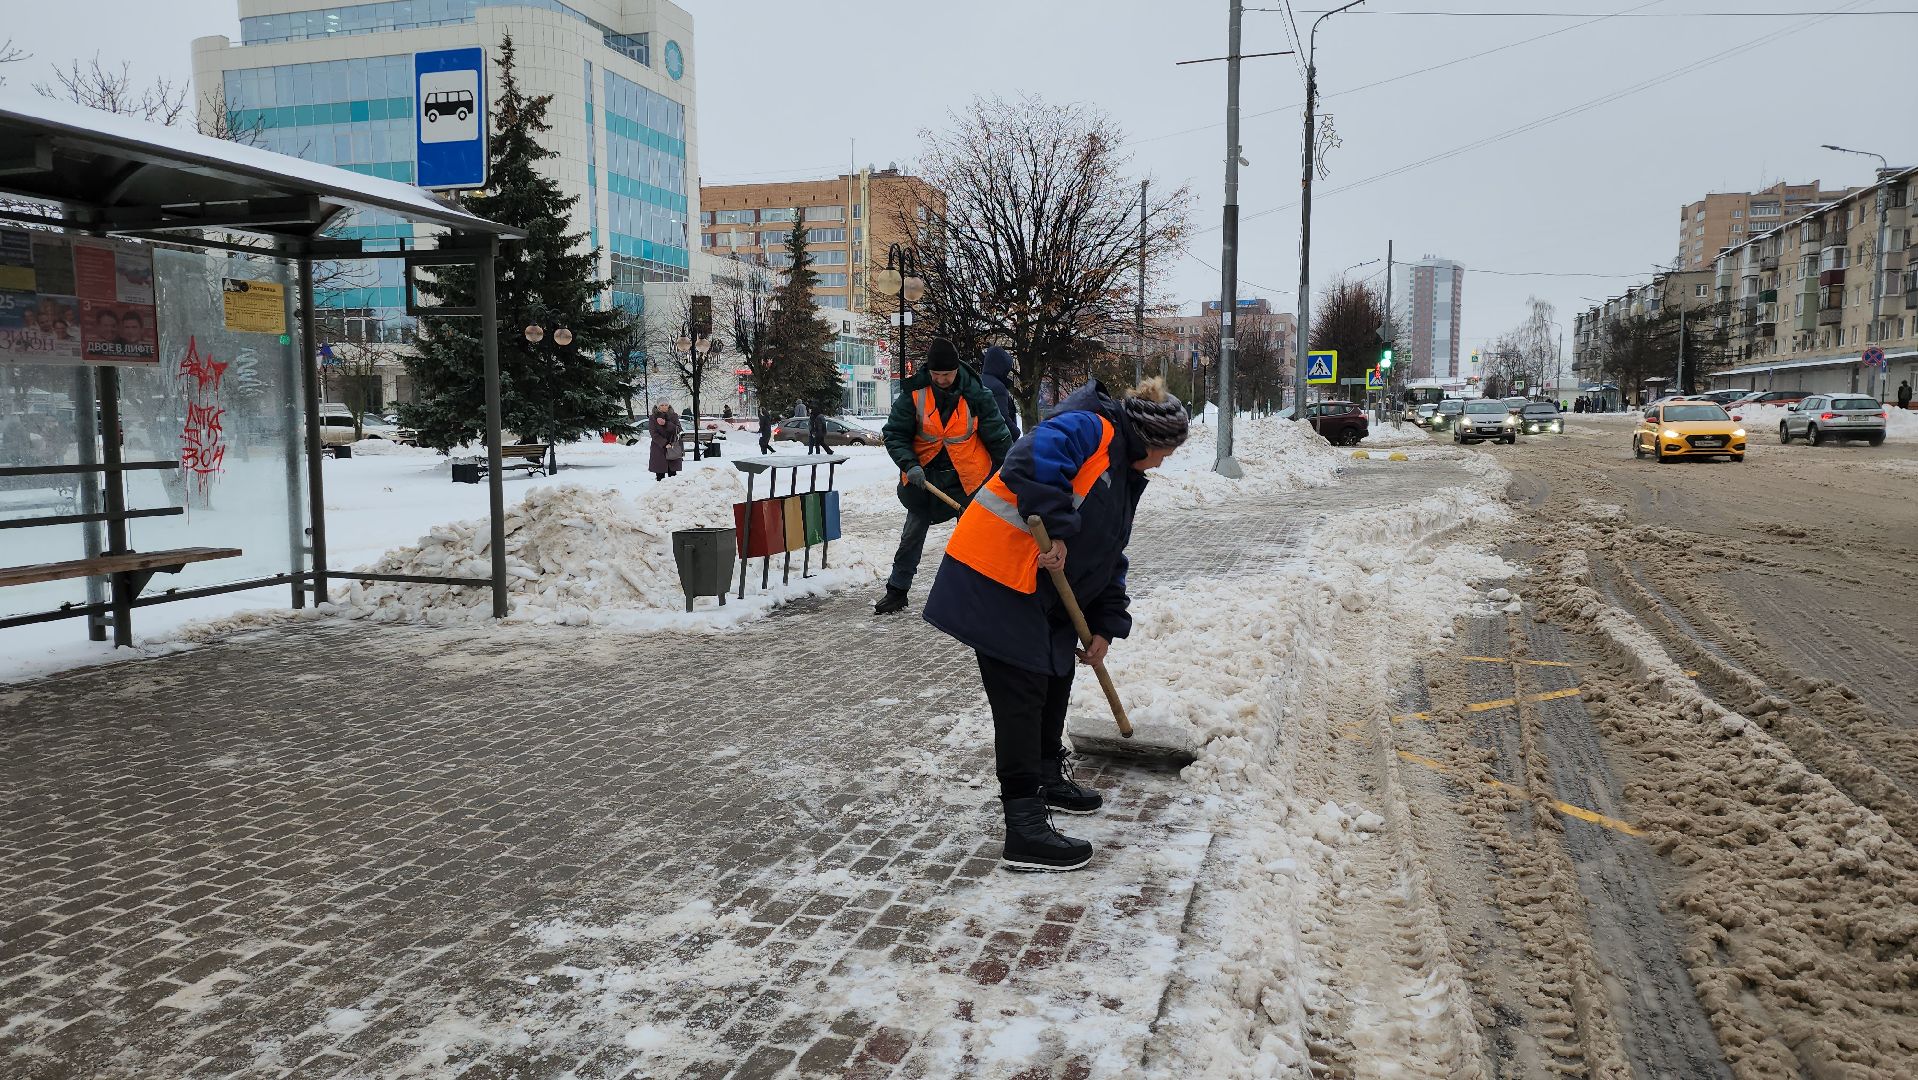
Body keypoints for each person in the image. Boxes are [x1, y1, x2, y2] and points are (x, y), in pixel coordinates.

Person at [923, 377, 1190, 872]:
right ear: (1149, 440)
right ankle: (1024, 826)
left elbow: (1109, 554)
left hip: (1040, 589)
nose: (1161, 465)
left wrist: (1105, 626)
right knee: (1022, 694)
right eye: (1164, 454)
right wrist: (1056, 524)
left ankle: (1047, 775)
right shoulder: (1091, 428)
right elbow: (1030, 458)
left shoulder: (1124, 474)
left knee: (1056, 676)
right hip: (996, 576)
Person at [874, 338, 1014, 615]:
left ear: (956, 370)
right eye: (936, 375)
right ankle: (897, 591)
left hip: (968, 481)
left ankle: (977, 593)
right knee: (911, 536)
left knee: (975, 539)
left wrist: (1010, 472)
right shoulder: (915, 393)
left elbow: (998, 436)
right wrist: (909, 464)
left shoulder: (977, 394)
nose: (941, 380)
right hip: (924, 480)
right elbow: (895, 434)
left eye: (947, 375)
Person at [981, 345, 1021, 441]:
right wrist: (1016, 433)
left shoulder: (978, 381)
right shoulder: (998, 387)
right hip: (999, 442)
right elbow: (1002, 418)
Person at [648, 402, 682, 481]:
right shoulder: (653, 418)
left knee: (673, 475)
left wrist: (666, 423)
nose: (664, 407)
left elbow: (678, 429)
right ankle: (660, 492)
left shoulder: (674, 416)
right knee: (660, 475)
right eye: (662, 405)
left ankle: (673, 492)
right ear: (658, 406)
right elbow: (653, 433)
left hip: (672, 447)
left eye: (666, 405)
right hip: (659, 448)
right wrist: (665, 443)